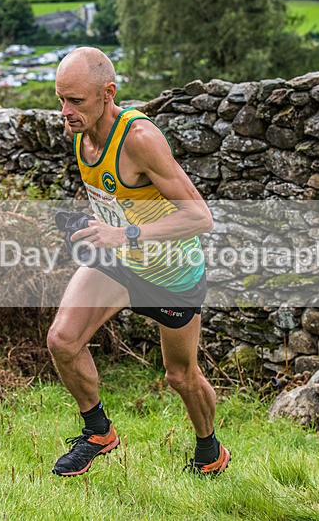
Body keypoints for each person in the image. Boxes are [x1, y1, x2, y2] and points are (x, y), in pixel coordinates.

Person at [48, 47, 230, 477]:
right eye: (60, 99)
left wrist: (124, 232)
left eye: (75, 101)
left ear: (108, 93)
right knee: (62, 341)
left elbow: (200, 216)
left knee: (180, 376)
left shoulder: (139, 139)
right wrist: (92, 226)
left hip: (171, 272)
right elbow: (120, 202)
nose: (65, 112)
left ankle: (210, 450)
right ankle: (98, 432)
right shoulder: (81, 133)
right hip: (120, 261)